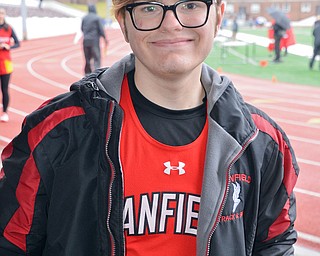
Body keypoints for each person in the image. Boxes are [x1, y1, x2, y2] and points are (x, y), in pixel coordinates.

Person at [0, 0, 299, 255]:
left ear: (218, 16)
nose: (170, 23)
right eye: (149, 7)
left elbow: (275, 243)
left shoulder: (262, 143)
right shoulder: (56, 132)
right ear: (124, 22)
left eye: (191, 4)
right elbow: (10, 242)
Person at [0, 8, 20, 122]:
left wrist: (9, 47)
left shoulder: (9, 28)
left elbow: (18, 43)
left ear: (4, 15)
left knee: (4, 88)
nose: (0, 15)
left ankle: (5, 112)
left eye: (2, 13)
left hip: (6, 63)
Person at [81, 4, 108, 75]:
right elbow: (101, 30)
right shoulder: (97, 18)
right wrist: (105, 39)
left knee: (87, 59)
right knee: (96, 59)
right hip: (94, 42)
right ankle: (96, 74)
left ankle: (87, 75)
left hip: (86, 41)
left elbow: (82, 28)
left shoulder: (84, 18)